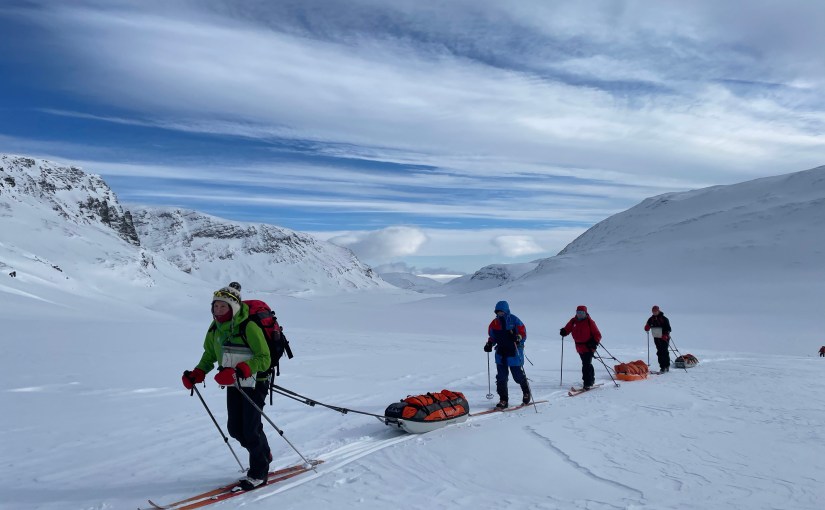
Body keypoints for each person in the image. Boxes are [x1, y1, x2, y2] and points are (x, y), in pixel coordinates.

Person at [182, 283, 272, 491]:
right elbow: (210, 355)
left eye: (223, 306)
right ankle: (263, 454)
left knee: (250, 430)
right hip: (233, 382)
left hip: (255, 382)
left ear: (234, 307)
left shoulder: (248, 326)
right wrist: (198, 373)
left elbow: (264, 358)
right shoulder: (215, 328)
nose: (218, 310)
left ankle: (259, 472)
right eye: (216, 306)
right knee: (235, 429)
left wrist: (241, 370)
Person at [484, 300, 528, 409]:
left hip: (514, 352)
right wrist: (489, 344)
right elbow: (493, 337)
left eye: (502, 311)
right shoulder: (494, 323)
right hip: (501, 353)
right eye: (498, 312)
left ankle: (526, 392)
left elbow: (523, 333)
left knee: (517, 376)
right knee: (501, 378)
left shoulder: (514, 320)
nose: (500, 314)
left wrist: (517, 337)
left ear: (506, 311)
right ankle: (503, 400)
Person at [559, 305, 602, 390]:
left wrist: (594, 342)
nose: (579, 314)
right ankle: (591, 380)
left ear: (585, 313)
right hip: (579, 347)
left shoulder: (590, 322)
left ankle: (587, 383)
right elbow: (567, 328)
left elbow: (597, 334)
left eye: (582, 313)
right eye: (578, 312)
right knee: (587, 363)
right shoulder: (573, 321)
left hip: (589, 347)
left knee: (586, 364)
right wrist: (564, 331)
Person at [644, 305, 672, 372]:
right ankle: (662, 367)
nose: (654, 312)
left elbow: (669, 329)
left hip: (665, 338)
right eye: (653, 311)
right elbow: (647, 327)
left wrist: (665, 335)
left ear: (658, 311)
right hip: (657, 338)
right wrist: (646, 328)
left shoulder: (664, 319)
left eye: (655, 311)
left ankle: (667, 366)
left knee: (664, 351)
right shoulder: (651, 319)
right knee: (659, 352)